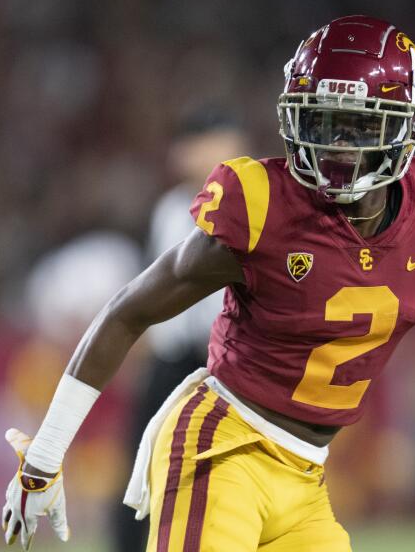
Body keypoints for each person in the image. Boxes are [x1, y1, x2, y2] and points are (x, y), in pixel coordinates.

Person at [1, 15, 415, 552]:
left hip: (305, 477)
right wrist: (44, 458)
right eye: (320, 122)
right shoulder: (262, 203)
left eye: (356, 125)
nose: (334, 145)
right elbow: (128, 311)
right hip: (221, 450)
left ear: (407, 128)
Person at [110, 112, 249, 551]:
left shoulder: (249, 207)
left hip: (226, 362)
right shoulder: (171, 209)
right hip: (172, 360)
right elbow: (148, 294)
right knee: (144, 459)